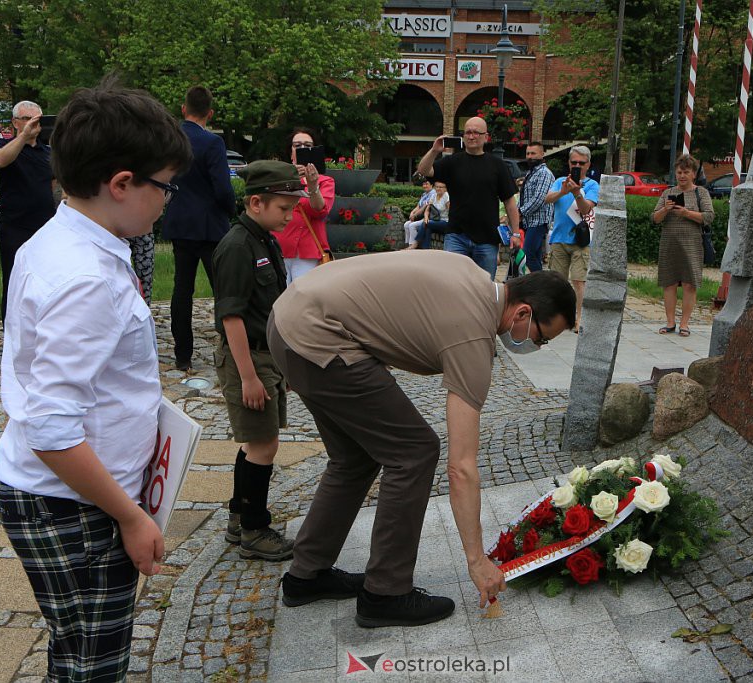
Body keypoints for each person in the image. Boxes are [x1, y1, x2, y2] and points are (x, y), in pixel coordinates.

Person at [0, 78, 192, 682]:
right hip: (75, 505)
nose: (168, 200)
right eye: (165, 186)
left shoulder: (63, 241)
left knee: (75, 651)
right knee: (93, 666)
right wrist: (130, 518)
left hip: (69, 493)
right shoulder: (88, 279)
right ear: (122, 183)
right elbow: (52, 427)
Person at [271, 252, 576, 627]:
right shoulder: (472, 334)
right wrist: (478, 560)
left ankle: (306, 575)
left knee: (354, 457)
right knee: (415, 451)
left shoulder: (473, 277)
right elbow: (461, 466)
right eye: (543, 339)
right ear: (523, 314)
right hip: (318, 335)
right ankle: (386, 593)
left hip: (289, 318)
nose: (539, 347)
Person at [212, 161, 305, 560]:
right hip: (246, 358)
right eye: (284, 208)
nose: (289, 215)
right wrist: (248, 377)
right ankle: (254, 529)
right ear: (256, 202)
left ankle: (239, 515)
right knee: (265, 445)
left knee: (256, 442)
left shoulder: (263, 239)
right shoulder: (237, 246)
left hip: (265, 357)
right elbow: (231, 317)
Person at [162, 86, 237, 371]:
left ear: (184, 109)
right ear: (210, 113)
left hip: (181, 220)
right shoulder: (212, 143)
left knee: (182, 288)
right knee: (223, 289)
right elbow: (222, 188)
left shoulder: (171, 139)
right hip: (210, 225)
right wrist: (231, 212)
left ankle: (183, 354)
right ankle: (229, 346)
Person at [416, 118, 519, 280]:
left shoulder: (497, 165)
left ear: (486, 137)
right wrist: (434, 150)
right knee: (453, 283)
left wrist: (516, 233)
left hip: (487, 238)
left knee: (484, 287)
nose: (471, 136)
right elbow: (423, 170)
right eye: (468, 132)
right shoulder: (452, 162)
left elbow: (509, 202)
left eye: (476, 133)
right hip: (457, 236)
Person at [0, 100, 57, 320]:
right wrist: (23, 136)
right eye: (27, 119)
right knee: (14, 282)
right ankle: (12, 333)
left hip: (44, 227)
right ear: (15, 122)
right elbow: (0, 160)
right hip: (15, 227)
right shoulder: (4, 144)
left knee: (44, 281)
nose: (32, 125)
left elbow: (56, 185)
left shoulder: (47, 152)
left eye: (37, 120)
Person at [652, 154, 715, 337]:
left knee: (689, 284)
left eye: (686, 172)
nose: (682, 176)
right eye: (679, 172)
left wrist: (687, 213)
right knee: (669, 282)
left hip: (692, 243)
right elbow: (654, 219)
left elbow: (709, 216)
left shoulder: (700, 193)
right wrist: (666, 209)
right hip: (669, 244)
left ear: (693, 174)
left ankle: (685, 324)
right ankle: (670, 322)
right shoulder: (668, 193)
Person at [544, 145, 599, 332]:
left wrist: (577, 193)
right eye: (573, 162)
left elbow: (586, 209)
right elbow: (548, 199)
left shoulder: (592, 185)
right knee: (557, 281)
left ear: (588, 164)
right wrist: (563, 191)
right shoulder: (560, 181)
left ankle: (578, 318)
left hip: (581, 240)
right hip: (559, 238)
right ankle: (558, 317)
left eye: (581, 163)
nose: (577, 166)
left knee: (579, 281)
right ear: (568, 163)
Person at [272, 127, 336, 284]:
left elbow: (320, 211)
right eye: (297, 145)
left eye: (307, 145)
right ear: (290, 151)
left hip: (309, 250)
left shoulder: (325, 181)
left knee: (305, 299)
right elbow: (273, 204)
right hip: (280, 247)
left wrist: (313, 186)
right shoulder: (279, 176)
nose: (302, 149)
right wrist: (290, 177)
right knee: (279, 297)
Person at [517, 141, 555, 273]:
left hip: (539, 221)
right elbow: (523, 196)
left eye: (533, 153)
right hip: (529, 222)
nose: (530, 156)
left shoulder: (544, 173)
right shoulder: (531, 172)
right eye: (528, 153)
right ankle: (540, 288)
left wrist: (520, 212)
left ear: (542, 154)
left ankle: (543, 284)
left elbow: (539, 198)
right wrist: (517, 211)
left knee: (528, 254)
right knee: (535, 256)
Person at [405, 180, 449, 250]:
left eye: (441, 187)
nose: (438, 189)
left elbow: (451, 211)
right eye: (437, 187)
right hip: (435, 221)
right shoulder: (434, 196)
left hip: (445, 222)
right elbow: (427, 210)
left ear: (445, 189)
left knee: (426, 224)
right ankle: (425, 249)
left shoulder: (446, 196)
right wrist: (426, 218)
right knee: (427, 226)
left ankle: (415, 243)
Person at [403, 178, 435, 245]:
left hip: (427, 217)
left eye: (426, 184)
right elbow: (418, 206)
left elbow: (424, 207)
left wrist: (415, 215)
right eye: (423, 184)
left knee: (412, 225)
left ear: (432, 185)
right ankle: (407, 243)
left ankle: (413, 245)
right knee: (406, 224)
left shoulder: (433, 194)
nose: (424, 186)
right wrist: (412, 213)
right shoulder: (424, 194)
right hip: (420, 217)